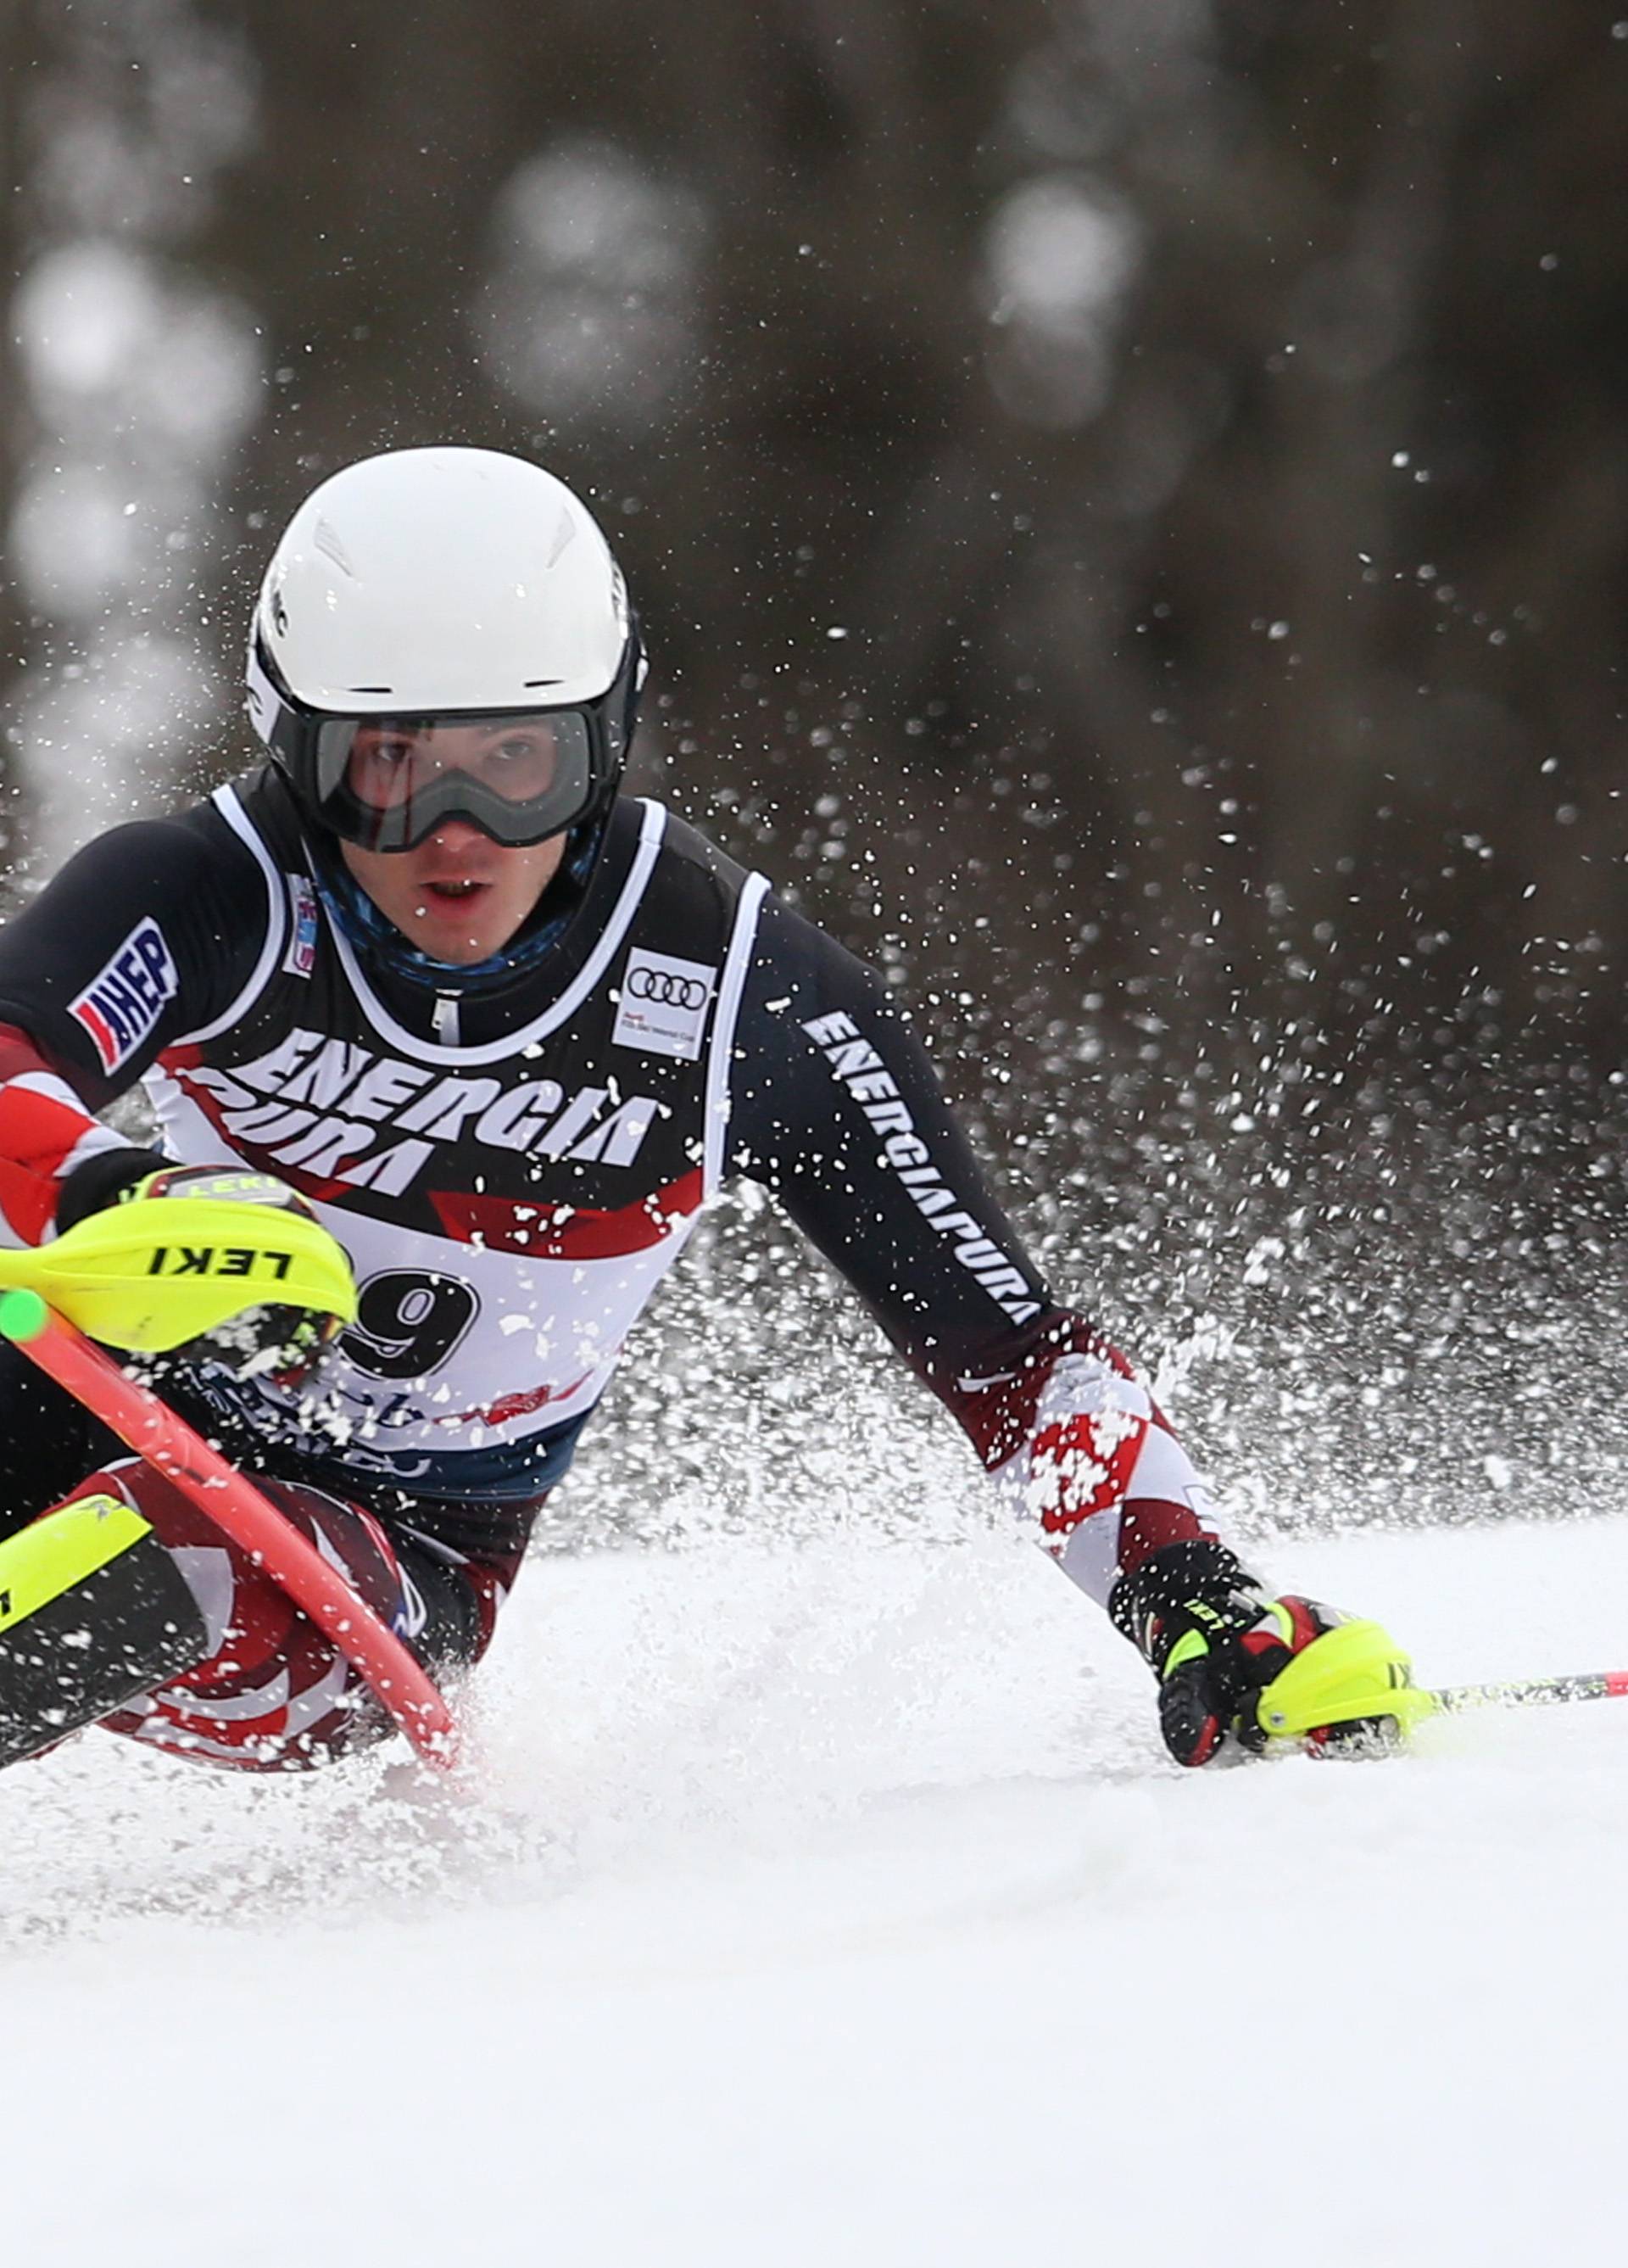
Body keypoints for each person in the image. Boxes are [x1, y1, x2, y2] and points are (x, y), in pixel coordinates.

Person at [0, 445, 1402, 1777]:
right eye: (387, 761)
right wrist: (114, 1199)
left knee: (150, 1550)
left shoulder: (744, 991)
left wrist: (1201, 1600)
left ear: (603, 742)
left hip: (381, 1559)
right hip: (106, 1399)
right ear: (291, 747)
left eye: (518, 760)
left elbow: (1013, 1358)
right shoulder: (208, 890)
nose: (456, 830)